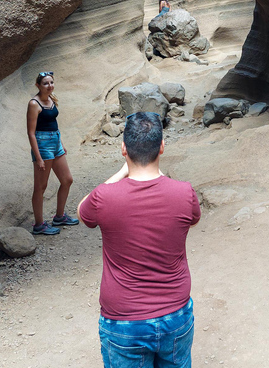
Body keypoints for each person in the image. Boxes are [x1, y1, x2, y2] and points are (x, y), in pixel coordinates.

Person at [78, 111, 200, 368]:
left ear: (124, 149)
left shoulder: (104, 197)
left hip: (124, 319)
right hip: (175, 313)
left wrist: (121, 173)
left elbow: (83, 213)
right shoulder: (184, 193)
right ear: (162, 147)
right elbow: (193, 218)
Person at [26, 71, 78, 235]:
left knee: (67, 180)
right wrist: (39, 158)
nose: (49, 86)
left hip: (55, 142)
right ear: (38, 85)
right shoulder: (34, 104)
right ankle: (39, 225)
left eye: (51, 82)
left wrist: (60, 143)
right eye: (46, 83)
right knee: (41, 187)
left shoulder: (51, 99)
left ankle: (60, 216)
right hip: (43, 145)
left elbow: (53, 123)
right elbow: (31, 133)